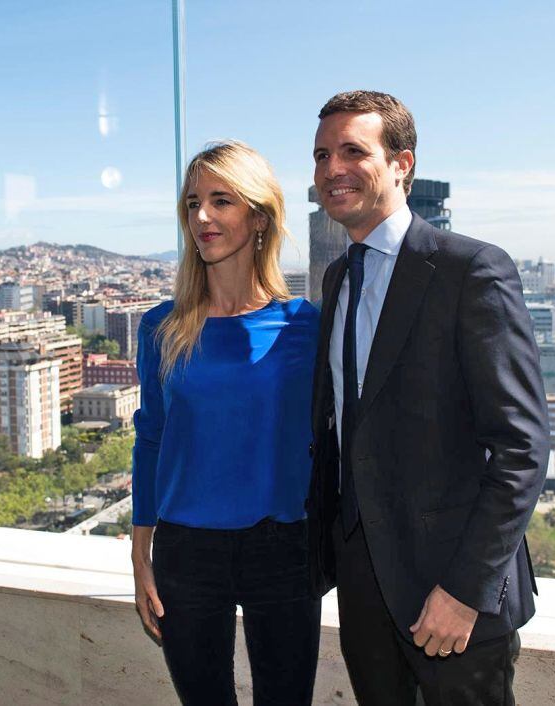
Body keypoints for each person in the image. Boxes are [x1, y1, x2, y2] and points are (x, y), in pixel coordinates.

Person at [305, 90, 550, 705]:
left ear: (401, 164)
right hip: (365, 594)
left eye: (353, 152)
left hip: (455, 595)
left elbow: (521, 449)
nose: (332, 169)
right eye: (321, 154)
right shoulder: (337, 278)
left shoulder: (471, 270)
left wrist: (465, 590)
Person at [131, 140, 321, 706]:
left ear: (259, 216)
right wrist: (141, 554)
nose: (203, 217)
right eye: (193, 203)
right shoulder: (161, 327)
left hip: (284, 549)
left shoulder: (303, 326)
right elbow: (151, 437)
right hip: (186, 553)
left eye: (222, 201)